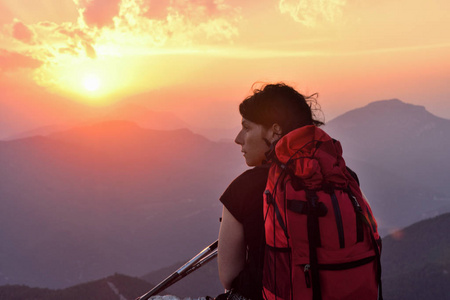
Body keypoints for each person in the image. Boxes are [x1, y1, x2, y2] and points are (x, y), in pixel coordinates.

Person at [217, 83, 323, 300]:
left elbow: (228, 277)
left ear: (275, 131)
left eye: (247, 128)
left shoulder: (244, 188)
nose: (238, 138)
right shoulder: (340, 176)